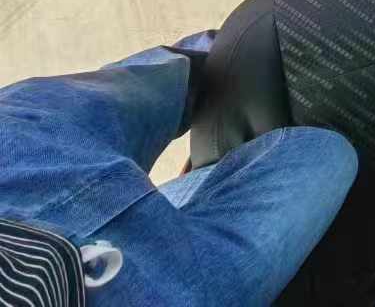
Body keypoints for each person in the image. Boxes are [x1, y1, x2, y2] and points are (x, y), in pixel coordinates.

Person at [0, 32, 357, 306]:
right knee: (323, 152)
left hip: (18, 169)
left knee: (209, 63)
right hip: (128, 292)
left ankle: (228, 42)